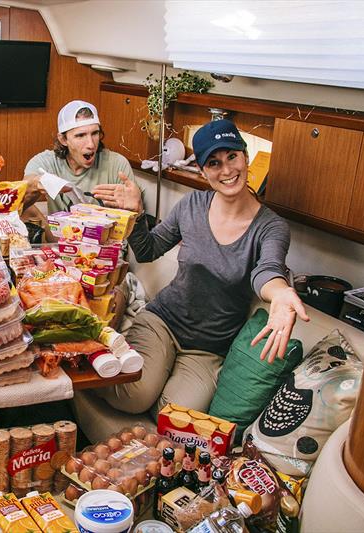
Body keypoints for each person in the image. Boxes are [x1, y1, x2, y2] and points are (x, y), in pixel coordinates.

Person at [92, 118, 309, 417]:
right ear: (204, 171)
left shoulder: (271, 227)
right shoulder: (192, 205)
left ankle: (154, 378)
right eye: (214, 163)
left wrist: (281, 293)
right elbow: (148, 250)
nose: (227, 170)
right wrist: (136, 213)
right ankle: (92, 370)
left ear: (245, 156)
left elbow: (267, 270)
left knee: (173, 418)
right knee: (135, 396)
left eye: (232, 156)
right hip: (163, 322)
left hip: (207, 349)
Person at [22, 99, 141, 214]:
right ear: (63, 139)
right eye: (80, 135)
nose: (91, 144)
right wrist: (35, 184)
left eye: (95, 133)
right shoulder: (46, 162)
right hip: (60, 233)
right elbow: (21, 195)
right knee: (30, 211)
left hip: (104, 233)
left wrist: (137, 210)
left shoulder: (117, 164)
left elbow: (135, 225)